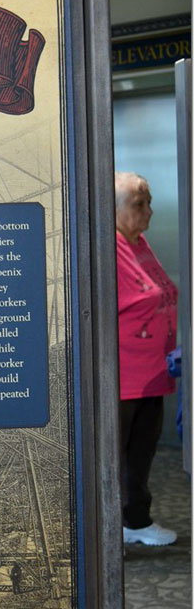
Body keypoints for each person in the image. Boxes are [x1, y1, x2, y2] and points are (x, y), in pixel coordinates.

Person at [115, 171, 178, 546]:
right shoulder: (108, 246)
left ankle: (135, 521)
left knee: (141, 453)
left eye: (149, 202)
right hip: (122, 375)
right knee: (116, 456)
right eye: (140, 205)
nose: (149, 212)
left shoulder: (138, 241)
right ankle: (111, 529)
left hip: (152, 372)